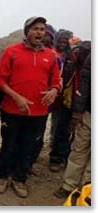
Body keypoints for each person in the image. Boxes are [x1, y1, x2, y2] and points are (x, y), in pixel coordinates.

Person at [0, 16, 60, 198]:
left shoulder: (51, 56)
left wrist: (54, 90)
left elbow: (56, 81)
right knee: (8, 143)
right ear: (27, 31)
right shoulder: (11, 52)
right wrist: (16, 97)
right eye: (35, 28)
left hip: (39, 111)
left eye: (42, 29)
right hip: (11, 109)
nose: (40, 32)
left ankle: (19, 178)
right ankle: (2, 176)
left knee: (28, 146)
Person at [54, 52, 91, 199]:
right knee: (79, 149)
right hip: (89, 113)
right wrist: (78, 111)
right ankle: (69, 185)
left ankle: (86, 190)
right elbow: (85, 83)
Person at [49, 42, 90, 172]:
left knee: (76, 136)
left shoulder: (86, 71)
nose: (76, 55)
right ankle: (56, 158)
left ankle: (67, 159)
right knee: (62, 130)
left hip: (82, 106)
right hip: (68, 104)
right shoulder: (70, 68)